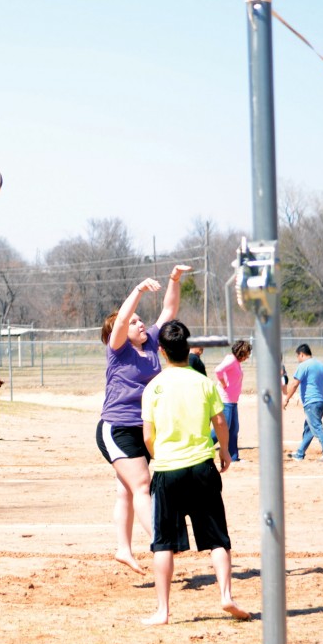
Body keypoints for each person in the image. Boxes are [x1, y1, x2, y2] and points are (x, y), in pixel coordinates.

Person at [140, 320, 249, 625]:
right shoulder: (204, 383)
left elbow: (148, 434)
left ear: (162, 352)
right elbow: (221, 423)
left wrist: (158, 456)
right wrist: (224, 451)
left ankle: (163, 610)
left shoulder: (153, 388)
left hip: (167, 470)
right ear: (188, 349)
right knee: (217, 538)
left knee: (163, 543)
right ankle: (226, 595)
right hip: (202, 466)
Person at [95, 263, 191, 576]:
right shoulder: (118, 349)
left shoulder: (150, 341)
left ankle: (122, 548)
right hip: (116, 427)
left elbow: (170, 309)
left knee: (126, 490)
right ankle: (161, 541)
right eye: (135, 321)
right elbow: (122, 319)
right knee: (141, 485)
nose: (140, 323)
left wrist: (174, 279)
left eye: (140, 320)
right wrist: (137, 290)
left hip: (143, 427)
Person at [283, 344, 323, 461]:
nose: (297, 359)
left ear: (301, 354)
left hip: (311, 403)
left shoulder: (303, 366)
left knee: (317, 428)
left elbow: (294, 384)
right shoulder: (321, 365)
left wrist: (286, 399)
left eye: (297, 356)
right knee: (309, 429)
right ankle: (299, 453)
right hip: (321, 402)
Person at [212, 339, 251, 462]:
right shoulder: (231, 359)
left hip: (233, 401)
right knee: (224, 426)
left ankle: (234, 457)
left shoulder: (236, 362)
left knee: (234, 428)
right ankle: (203, 446)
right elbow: (218, 370)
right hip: (225, 400)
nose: (248, 357)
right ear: (242, 352)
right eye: (247, 354)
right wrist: (223, 383)